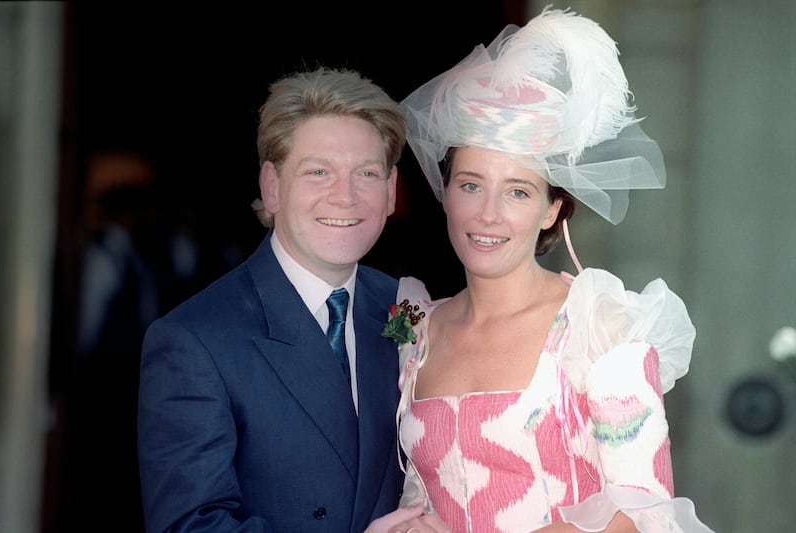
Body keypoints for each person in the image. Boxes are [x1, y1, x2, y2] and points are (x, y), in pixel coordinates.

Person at [381, 7, 715, 533]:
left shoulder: (602, 328)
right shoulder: (416, 329)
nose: (488, 214)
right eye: (470, 184)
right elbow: (417, 496)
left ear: (552, 209)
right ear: (445, 193)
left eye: (517, 191)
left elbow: (642, 514)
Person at [137, 66, 431, 532]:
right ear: (271, 186)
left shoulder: (407, 308)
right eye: (319, 172)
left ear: (392, 191)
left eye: (367, 173)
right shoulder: (192, 341)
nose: (345, 197)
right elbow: (189, 526)